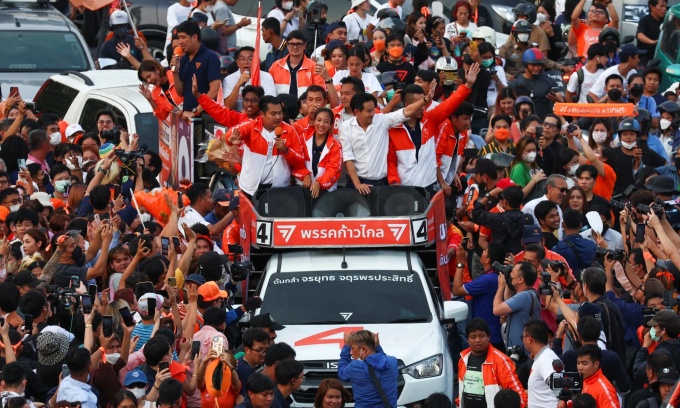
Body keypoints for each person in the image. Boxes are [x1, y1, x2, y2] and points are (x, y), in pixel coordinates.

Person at [224, 96, 308, 200]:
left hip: (279, 189)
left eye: (280, 113)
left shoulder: (290, 131)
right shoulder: (251, 126)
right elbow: (232, 132)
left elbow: (300, 162)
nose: (278, 117)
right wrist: (230, 139)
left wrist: (286, 151)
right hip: (250, 189)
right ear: (262, 114)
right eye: (273, 114)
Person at [456, 318, 527, 407]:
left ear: (489, 337)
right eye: (473, 337)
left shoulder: (501, 361)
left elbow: (520, 396)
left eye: (481, 336)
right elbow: (461, 391)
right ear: (467, 339)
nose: (477, 340)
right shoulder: (463, 359)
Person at [452, 243, 505, 350]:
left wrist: (460, 263)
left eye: (485, 251)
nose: (482, 253)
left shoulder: (487, 280)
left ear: (488, 260)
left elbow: (457, 290)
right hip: (495, 336)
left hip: (489, 339)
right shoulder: (497, 277)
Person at [171, 20, 221, 114]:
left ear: (194, 37)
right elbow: (181, 92)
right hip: (188, 117)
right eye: (179, 38)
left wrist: (196, 111)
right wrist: (175, 73)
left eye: (183, 37)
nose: (180, 42)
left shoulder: (210, 57)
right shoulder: (183, 59)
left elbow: (215, 90)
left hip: (205, 118)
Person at [338, 330, 398, 408]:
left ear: (364, 349)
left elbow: (342, 373)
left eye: (352, 348)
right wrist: (377, 347)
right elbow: (382, 359)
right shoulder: (392, 362)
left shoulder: (355, 367)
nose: (351, 352)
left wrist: (346, 347)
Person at [494, 262, 540, 350]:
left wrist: (500, 287)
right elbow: (508, 300)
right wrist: (508, 282)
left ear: (520, 280)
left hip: (522, 352)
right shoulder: (530, 294)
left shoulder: (523, 296)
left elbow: (496, 309)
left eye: (512, 273)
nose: (510, 275)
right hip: (519, 349)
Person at [269, 30, 326, 99]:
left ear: (304, 45)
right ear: (287, 45)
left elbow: (320, 93)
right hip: (280, 108)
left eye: (298, 44)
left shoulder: (314, 67)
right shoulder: (275, 66)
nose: (295, 47)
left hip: (305, 108)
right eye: (292, 44)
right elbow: (269, 92)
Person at [508, 48, 563, 119]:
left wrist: (557, 100)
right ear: (525, 65)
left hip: (544, 123)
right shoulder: (515, 84)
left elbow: (562, 103)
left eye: (539, 65)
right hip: (523, 122)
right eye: (533, 65)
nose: (536, 68)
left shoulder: (549, 81)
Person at [222, 47, 276, 111]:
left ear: (256, 61)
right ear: (238, 63)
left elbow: (270, 104)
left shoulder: (267, 77)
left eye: (250, 59)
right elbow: (228, 106)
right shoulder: (228, 79)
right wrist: (238, 85)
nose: (246, 62)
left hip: (259, 117)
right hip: (237, 117)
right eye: (242, 59)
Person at [523, 319, 559, 408]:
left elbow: (558, 388)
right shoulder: (542, 357)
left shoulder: (546, 358)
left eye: (522, 337)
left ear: (529, 339)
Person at [236, 329, 271, 396]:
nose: (264, 354)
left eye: (266, 349)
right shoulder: (246, 371)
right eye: (259, 350)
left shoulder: (240, 361)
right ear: (247, 350)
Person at [636, 0, 668, 65]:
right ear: (652, 7)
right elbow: (640, 35)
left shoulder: (666, 21)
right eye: (661, 6)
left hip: (662, 58)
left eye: (665, 6)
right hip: (645, 58)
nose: (664, 9)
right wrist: (652, 42)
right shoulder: (644, 20)